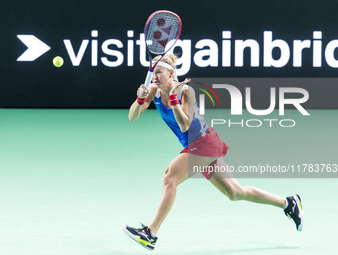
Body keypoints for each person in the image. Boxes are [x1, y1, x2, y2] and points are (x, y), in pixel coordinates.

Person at [122, 54, 303, 251]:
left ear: (171, 72)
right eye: (153, 71)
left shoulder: (186, 92)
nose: (154, 76)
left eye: (159, 71)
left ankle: (150, 233)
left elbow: (184, 125)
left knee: (170, 178)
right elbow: (133, 117)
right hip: (194, 146)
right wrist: (140, 99)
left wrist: (173, 98)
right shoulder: (154, 91)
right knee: (235, 193)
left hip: (204, 142)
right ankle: (288, 203)